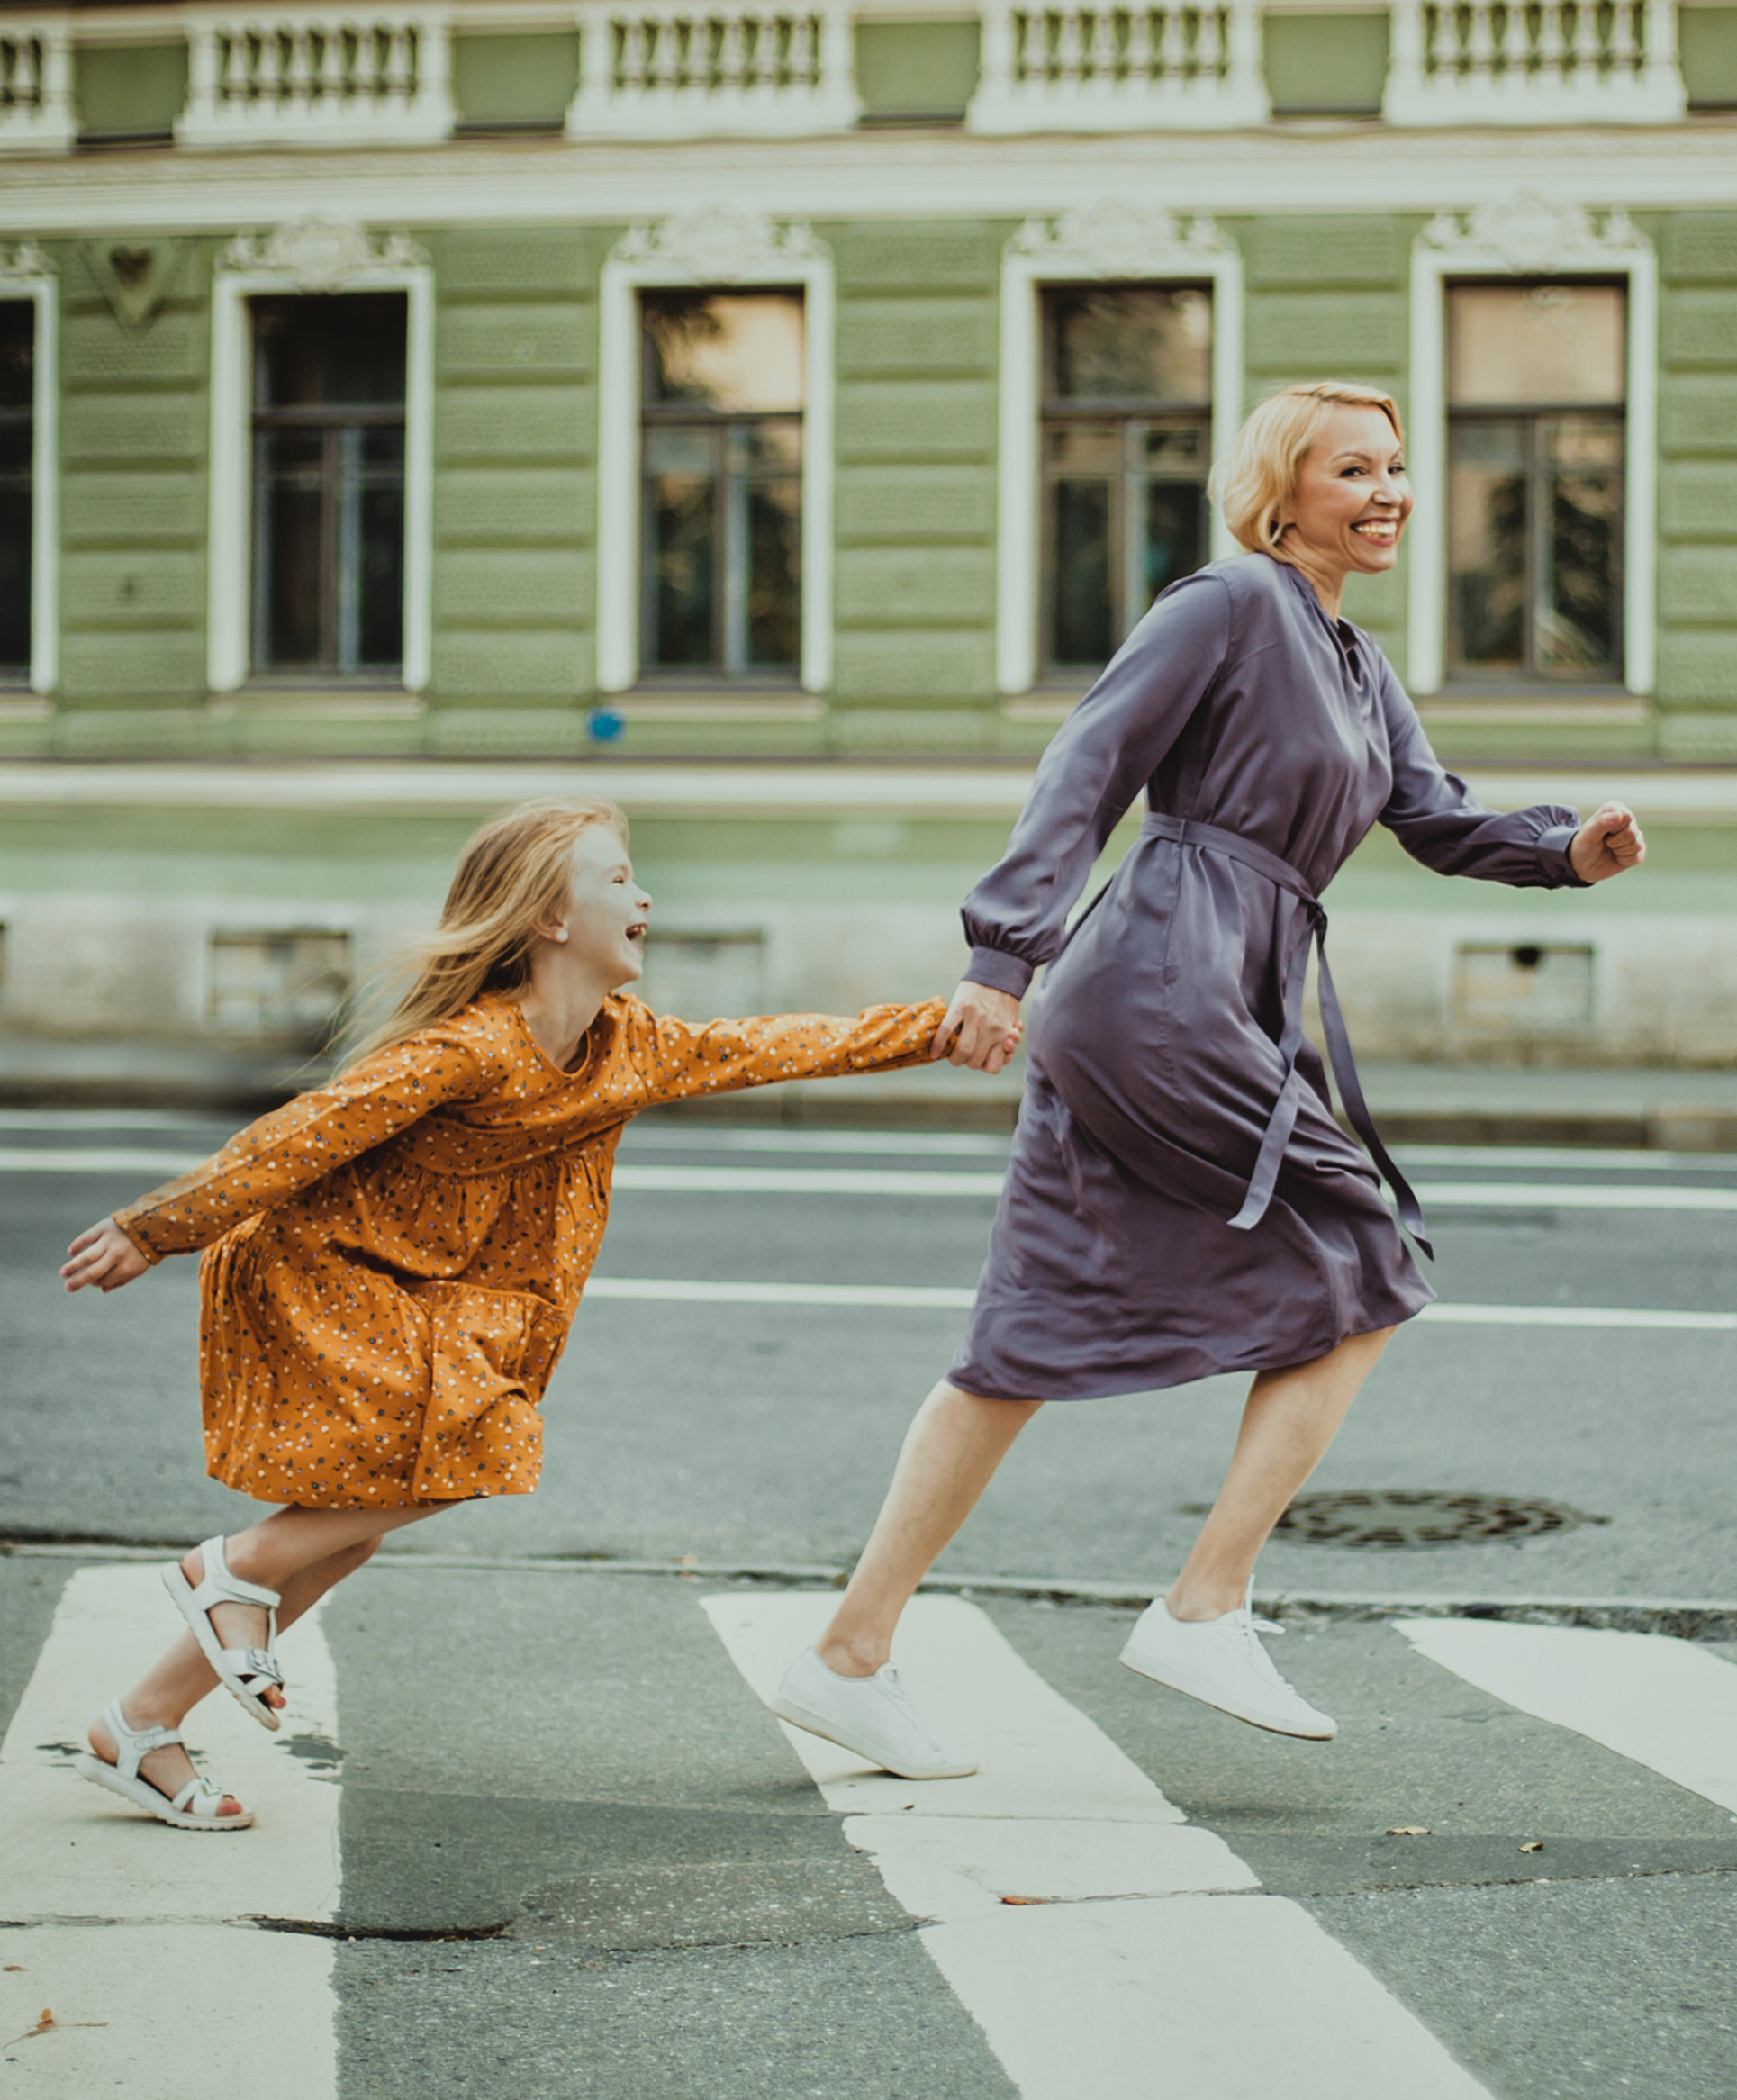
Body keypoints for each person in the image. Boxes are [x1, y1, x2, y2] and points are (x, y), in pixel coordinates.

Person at [772, 382, 1645, 1780]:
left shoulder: (1357, 665)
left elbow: (1436, 816)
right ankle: (1204, 1604)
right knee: (1370, 1254)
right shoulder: (1228, 604)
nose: (1388, 492)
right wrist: (1002, 958)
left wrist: (1567, 850)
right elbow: (1090, 761)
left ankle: (848, 1653)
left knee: (1023, 1335)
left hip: (1208, 983)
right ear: (1279, 487)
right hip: (1161, 983)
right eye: (1352, 467)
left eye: (1400, 468)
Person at [62, 795, 962, 1830]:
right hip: (324, 1270)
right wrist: (156, 1226)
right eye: (619, 878)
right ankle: (231, 1570)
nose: (646, 895)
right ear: (547, 917)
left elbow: (780, 1044)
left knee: (343, 1533)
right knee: (476, 1444)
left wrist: (940, 1027)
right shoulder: (469, 1049)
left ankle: (139, 1723)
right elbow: (303, 1134)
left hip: (432, 1290)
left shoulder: (630, 1046)